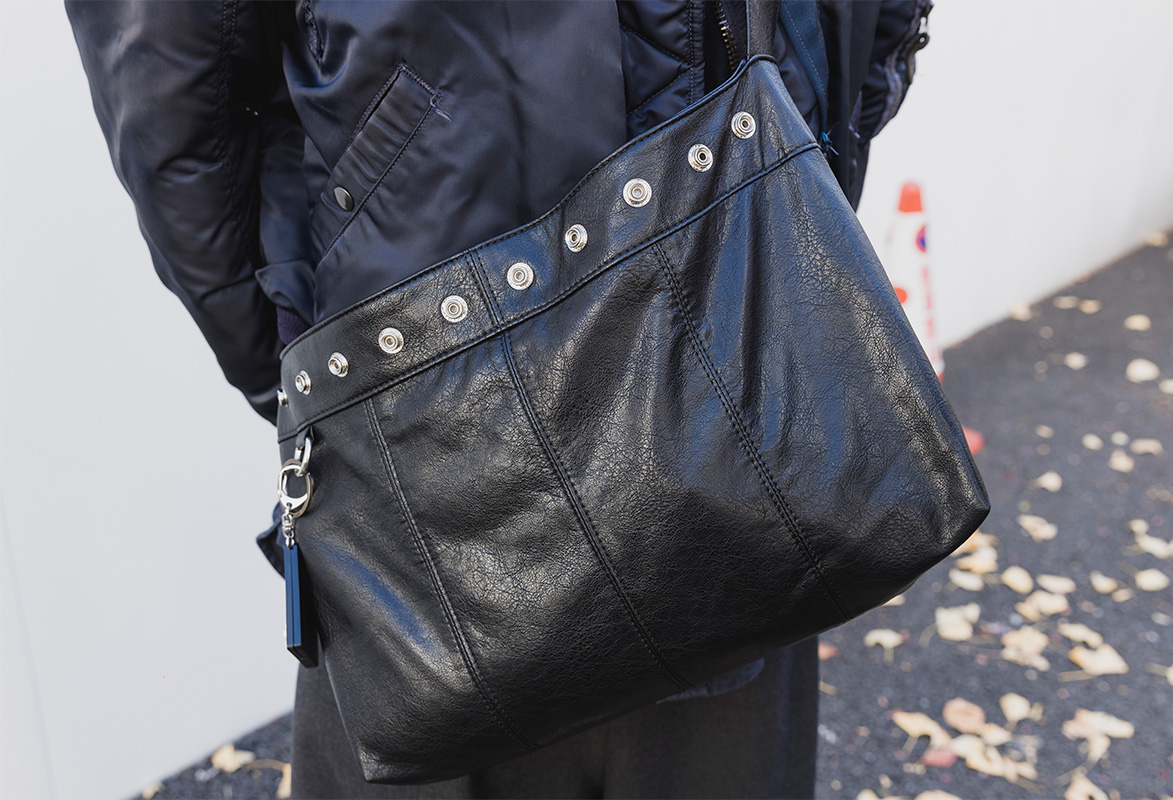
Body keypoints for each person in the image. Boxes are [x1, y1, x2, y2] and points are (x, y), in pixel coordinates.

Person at [66, 2, 931, 796]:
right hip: (433, 436)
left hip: (742, 378)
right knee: (426, 723)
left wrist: (813, 164)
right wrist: (318, 372)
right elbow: (170, 95)